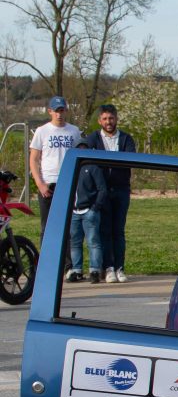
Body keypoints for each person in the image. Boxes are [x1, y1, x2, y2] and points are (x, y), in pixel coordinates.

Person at [83, 104, 136, 283]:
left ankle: (120, 267)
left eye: (111, 118)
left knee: (118, 231)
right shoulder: (92, 139)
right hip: (102, 191)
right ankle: (109, 267)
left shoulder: (126, 139)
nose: (108, 122)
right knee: (104, 230)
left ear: (116, 119)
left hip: (121, 190)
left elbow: (130, 160)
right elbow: (85, 159)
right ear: (100, 120)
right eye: (105, 119)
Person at [29, 95, 81, 240]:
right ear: (50, 111)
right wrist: (40, 184)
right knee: (47, 226)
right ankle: (45, 261)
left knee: (68, 226)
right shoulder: (42, 131)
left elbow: (80, 155)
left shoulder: (74, 131)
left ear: (66, 111)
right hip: (48, 183)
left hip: (68, 182)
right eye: (56, 111)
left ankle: (67, 262)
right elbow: (33, 159)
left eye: (62, 111)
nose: (59, 114)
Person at [65, 141, 107, 284]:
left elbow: (102, 189)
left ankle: (95, 270)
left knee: (93, 242)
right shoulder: (71, 169)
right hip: (74, 212)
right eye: (79, 149)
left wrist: (95, 207)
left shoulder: (93, 168)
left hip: (89, 211)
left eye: (84, 149)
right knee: (75, 242)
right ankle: (77, 270)